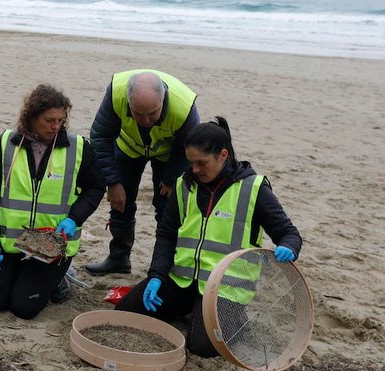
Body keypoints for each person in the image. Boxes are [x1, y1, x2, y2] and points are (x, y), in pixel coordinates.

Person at [115, 117, 303, 357]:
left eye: (201, 163)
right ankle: (189, 309)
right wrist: (156, 275)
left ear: (223, 155)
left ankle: (234, 320)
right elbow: (166, 234)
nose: (195, 170)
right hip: (180, 280)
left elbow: (289, 233)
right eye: (191, 162)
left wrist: (289, 247)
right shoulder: (184, 185)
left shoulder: (254, 189)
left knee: (202, 347)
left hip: (225, 290)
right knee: (126, 312)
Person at [0, 84, 105, 319]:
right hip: (13, 243)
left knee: (23, 308)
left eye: (61, 120)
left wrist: (74, 219)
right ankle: (19, 274)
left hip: (53, 247)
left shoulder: (78, 148)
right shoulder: (4, 145)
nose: (56, 127)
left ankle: (60, 280)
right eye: (49, 120)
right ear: (31, 117)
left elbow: (96, 188)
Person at [84, 70, 199, 275]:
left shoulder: (184, 107)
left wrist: (171, 178)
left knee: (167, 209)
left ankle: (166, 266)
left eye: (153, 113)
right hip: (129, 147)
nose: (145, 120)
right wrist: (112, 182)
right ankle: (118, 258)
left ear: (163, 101)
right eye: (137, 113)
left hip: (169, 154)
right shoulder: (116, 93)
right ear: (128, 102)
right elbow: (100, 137)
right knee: (121, 203)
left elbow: (189, 148)